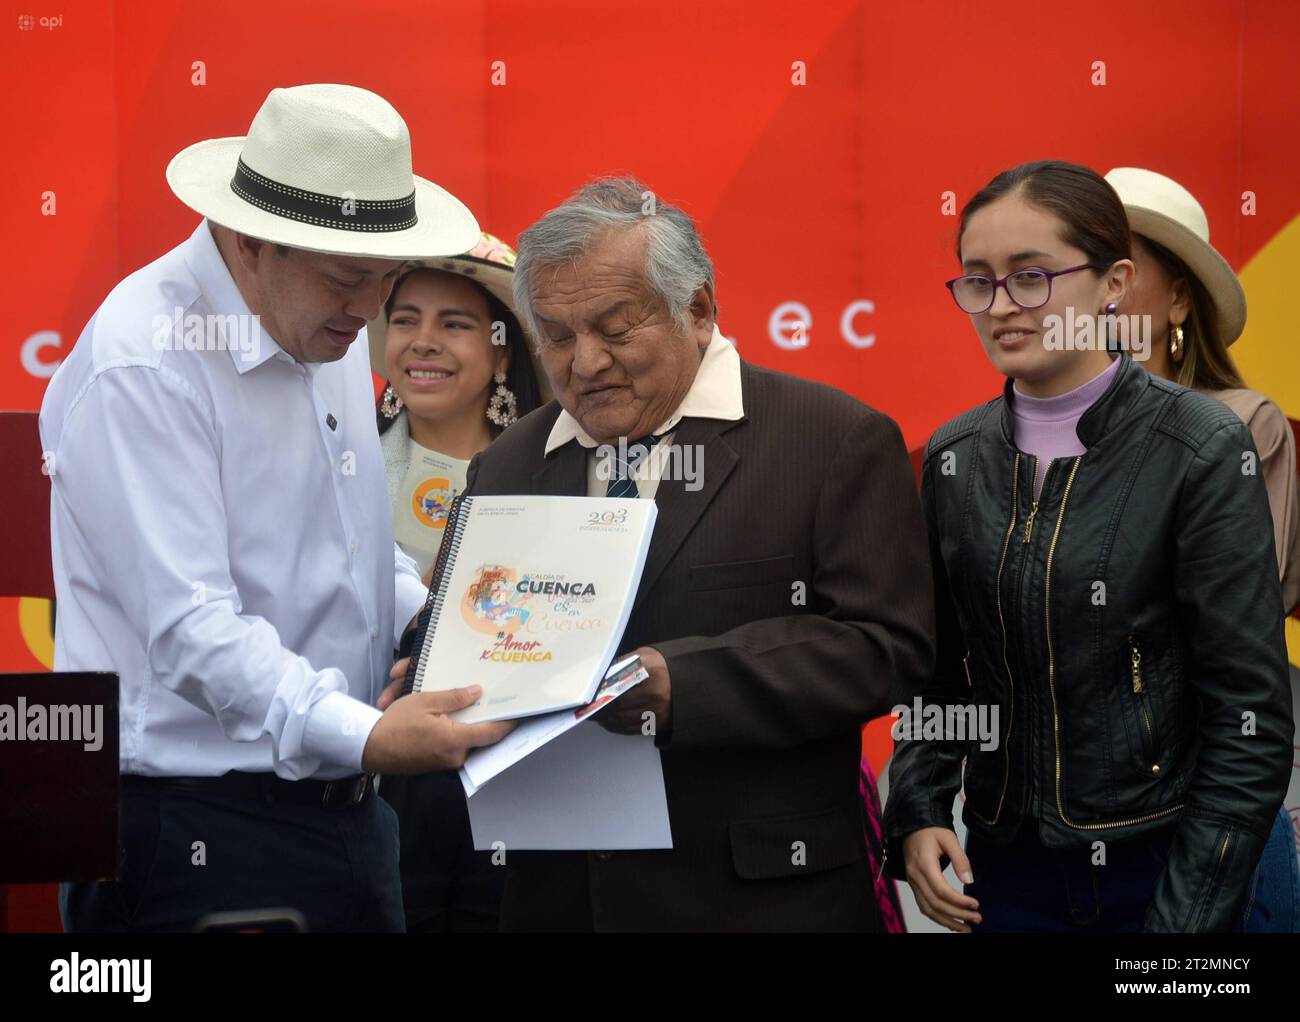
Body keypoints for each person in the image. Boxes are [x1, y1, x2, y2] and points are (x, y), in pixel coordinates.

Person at [42, 83, 512, 933]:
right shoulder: (144, 365)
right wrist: (368, 737)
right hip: (196, 835)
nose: (371, 311)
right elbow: (191, 629)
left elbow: (354, 554)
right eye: (347, 279)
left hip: (344, 813)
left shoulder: (313, 318)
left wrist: (430, 629)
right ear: (254, 243)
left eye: (383, 277)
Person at [462, 176, 935, 931]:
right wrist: (434, 660)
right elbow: (484, 622)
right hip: (560, 899)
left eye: (616, 327)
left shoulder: (829, 439)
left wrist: (685, 684)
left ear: (700, 309)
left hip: (762, 899)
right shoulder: (511, 461)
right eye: (555, 334)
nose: (584, 363)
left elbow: (888, 647)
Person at [882, 160, 1293, 932]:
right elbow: (939, 676)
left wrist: (1184, 929)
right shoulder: (955, 456)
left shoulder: (1201, 446)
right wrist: (919, 805)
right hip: (1005, 871)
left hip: (1165, 864)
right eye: (979, 280)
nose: (1002, 304)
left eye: (1031, 276)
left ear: (1114, 283)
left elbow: (1251, 717)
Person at [1107, 166, 1299, 930]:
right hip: (1058, 828)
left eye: (1120, 267)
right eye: (1079, 262)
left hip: (1207, 802)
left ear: (1180, 299)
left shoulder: (1244, 424)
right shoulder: (1007, 433)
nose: (1096, 288)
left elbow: (1232, 621)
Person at [368, 233, 546, 932]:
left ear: (503, 350)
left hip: (513, 788)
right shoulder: (333, 464)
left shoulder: (553, 478)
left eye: (455, 323)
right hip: (371, 791)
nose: (423, 342)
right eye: (405, 319)